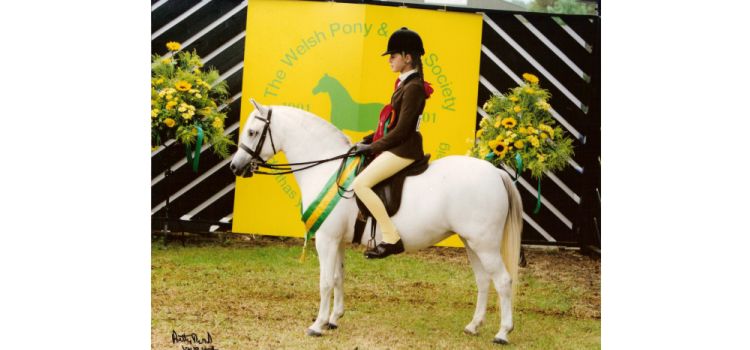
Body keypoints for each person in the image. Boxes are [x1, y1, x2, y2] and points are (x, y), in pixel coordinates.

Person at [352, 27, 434, 259]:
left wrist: (373, 148)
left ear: (408, 58)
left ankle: (391, 237)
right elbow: (392, 123)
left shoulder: (414, 88)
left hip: (404, 149)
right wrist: (369, 139)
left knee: (361, 184)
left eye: (393, 55)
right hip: (398, 145)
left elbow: (402, 130)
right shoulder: (404, 84)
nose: (389, 60)